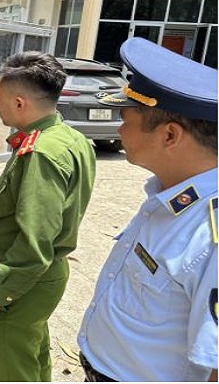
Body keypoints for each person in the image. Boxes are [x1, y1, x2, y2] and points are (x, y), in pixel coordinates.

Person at [78, 37, 218, 382]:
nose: (119, 129)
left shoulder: (210, 235)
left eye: (126, 118)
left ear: (170, 136)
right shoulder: (170, 195)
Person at [0, 51, 96, 382]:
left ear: (20, 102)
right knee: (30, 359)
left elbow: (36, 239)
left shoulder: (41, 152)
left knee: (7, 369)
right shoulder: (70, 138)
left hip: (23, 278)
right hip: (40, 276)